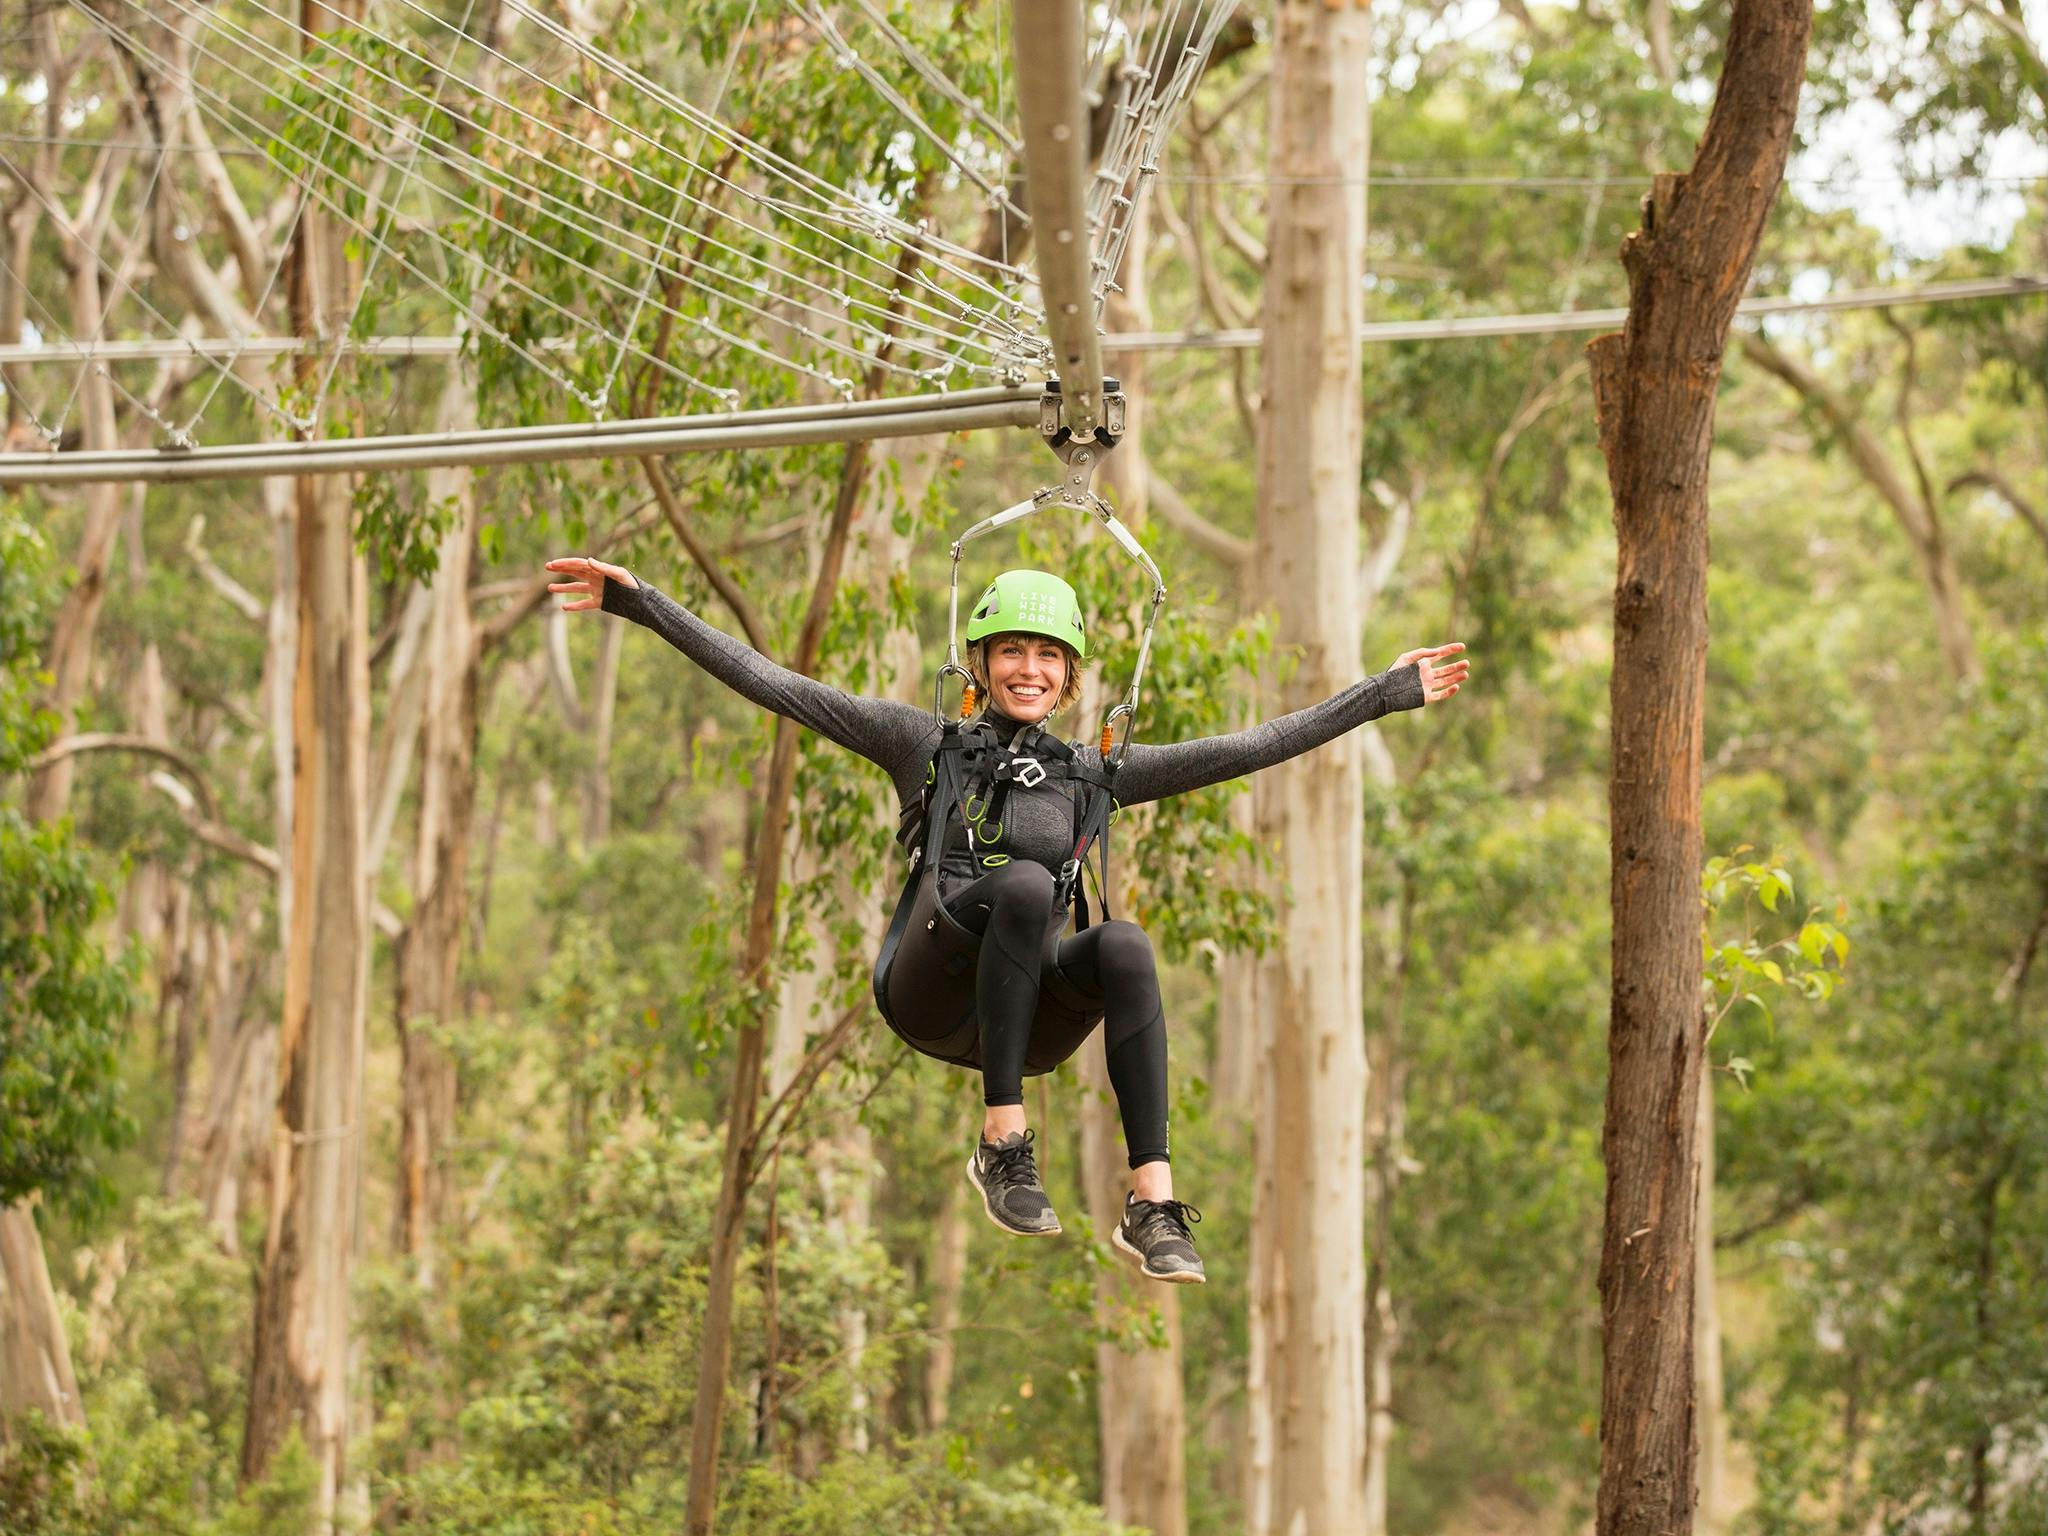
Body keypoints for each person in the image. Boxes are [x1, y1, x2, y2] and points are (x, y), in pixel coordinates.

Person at [546, 556, 1468, 1284]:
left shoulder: (1091, 774)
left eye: (1048, 656)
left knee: (1126, 943)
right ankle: (1002, 1146)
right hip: (929, 986)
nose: (1029, 669)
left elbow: (1253, 745)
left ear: (1067, 678)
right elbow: (774, 681)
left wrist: (1380, 693)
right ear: (980, 665)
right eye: (1012, 652)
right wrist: (641, 605)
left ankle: (1152, 1203)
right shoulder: (924, 744)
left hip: (1025, 1023)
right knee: (1028, 888)